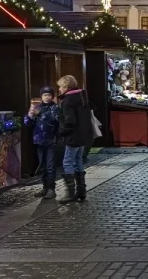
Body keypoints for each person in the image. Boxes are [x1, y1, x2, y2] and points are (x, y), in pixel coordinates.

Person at [57, 74, 94, 203]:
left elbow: (70, 121)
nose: (59, 89)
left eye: (61, 87)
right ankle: (81, 192)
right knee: (78, 160)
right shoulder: (82, 97)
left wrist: (62, 131)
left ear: (66, 87)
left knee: (67, 162)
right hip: (83, 135)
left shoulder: (68, 100)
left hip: (73, 136)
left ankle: (71, 193)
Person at [25, 86, 60, 199]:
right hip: (39, 140)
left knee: (50, 166)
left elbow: (55, 120)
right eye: (45, 95)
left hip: (51, 141)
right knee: (43, 166)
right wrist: (30, 116)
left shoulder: (55, 108)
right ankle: (45, 188)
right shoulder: (37, 107)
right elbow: (27, 123)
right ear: (41, 96)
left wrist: (40, 114)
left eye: (49, 95)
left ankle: (51, 189)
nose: (47, 97)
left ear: (52, 97)